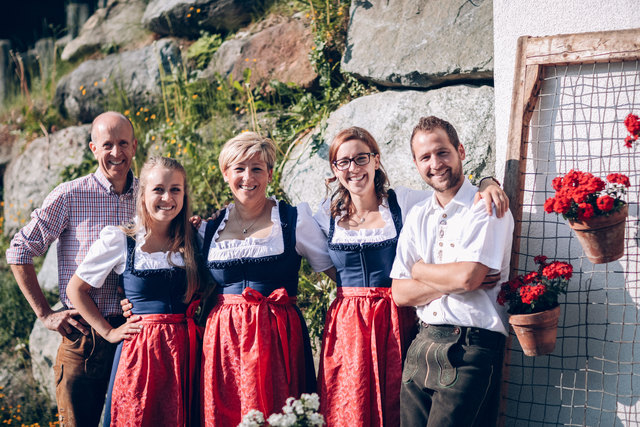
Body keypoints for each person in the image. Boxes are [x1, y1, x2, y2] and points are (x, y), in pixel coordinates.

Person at [314, 126, 509, 426]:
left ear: (376, 160)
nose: (354, 168)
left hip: (398, 325)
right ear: (334, 168)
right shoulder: (321, 215)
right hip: (354, 327)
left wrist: (488, 181)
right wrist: (452, 279)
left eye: (361, 158)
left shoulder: (405, 203)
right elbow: (401, 291)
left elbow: (449, 189)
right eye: (344, 162)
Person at [6, 111, 137, 426]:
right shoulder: (70, 195)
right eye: (107, 145)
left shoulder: (148, 195)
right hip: (83, 339)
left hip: (132, 335)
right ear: (93, 148)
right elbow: (19, 250)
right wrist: (45, 314)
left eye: (123, 143)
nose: (116, 153)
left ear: (134, 146)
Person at [198, 132, 336, 426]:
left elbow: (336, 271)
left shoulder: (294, 220)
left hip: (277, 338)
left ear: (270, 174)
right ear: (225, 174)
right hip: (224, 343)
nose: (248, 177)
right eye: (239, 168)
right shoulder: (207, 230)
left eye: (257, 168)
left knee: (278, 412)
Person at [390, 116, 514, 426]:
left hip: (471, 346)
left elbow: (468, 277)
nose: (436, 163)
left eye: (442, 152)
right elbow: (401, 293)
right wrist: (453, 280)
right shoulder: (417, 215)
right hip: (420, 344)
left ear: (460, 150)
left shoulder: (487, 206)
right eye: (425, 157)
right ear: (417, 164)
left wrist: (418, 269)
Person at [67, 156, 202, 426]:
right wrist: (108, 331)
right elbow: (76, 289)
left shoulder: (193, 237)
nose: (167, 197)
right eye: (158, 189)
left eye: (175, 189)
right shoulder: (121, 240)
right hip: (143, 353)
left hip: (188, 350)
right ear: (143, 194)